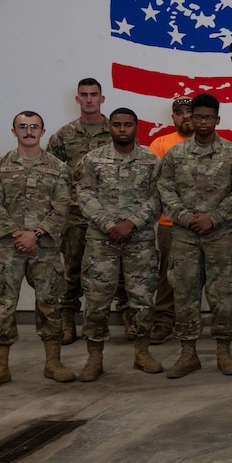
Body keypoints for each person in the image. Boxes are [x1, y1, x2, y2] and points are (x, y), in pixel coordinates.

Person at [0, 111, 75, 390]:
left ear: (43, 132)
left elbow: (62, 206)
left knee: (49, 304)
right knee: (4, 305)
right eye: (23, 127)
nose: (29, 131)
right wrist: (17, 234)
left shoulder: (58, 168)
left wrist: (37, 234)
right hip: (9, 247)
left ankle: (53, 362)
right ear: (14, 131)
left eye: (34, 127)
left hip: (45, 247)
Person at [157, 94, 232, 379]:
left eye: (208, 117)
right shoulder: (176, 154)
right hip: (184, 236)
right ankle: (188, 354)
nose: (203, 122)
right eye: (197, 117)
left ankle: (224, 352)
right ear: (191, 119)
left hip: (220, 235)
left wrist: (214, 218)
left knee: (223, 296)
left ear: (217, 120)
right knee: (184, 295)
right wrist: (185, 217)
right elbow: (165, 189)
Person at [76, 108, 163, 381]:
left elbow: (158, 198)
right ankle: (94, 358)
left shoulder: (151, 161)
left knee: (142, 300)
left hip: (140, 241)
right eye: (117, 125)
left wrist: (132, 224)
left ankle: (142, 353)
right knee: (96, 300)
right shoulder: (93, 159)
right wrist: (108, 225)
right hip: (102, 242)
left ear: (136, 127)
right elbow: (84, 194)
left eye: (127, 125)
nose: (122, 129)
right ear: (109, 128)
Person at [48, 78, 113, 345]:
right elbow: (52, 174)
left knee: (113, 270)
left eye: (93, 94)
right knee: (72, 269)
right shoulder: (64, 135)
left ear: (102, 98)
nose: (89, 99)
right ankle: (67, 320)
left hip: (108, 214)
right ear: (77, 99)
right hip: (75, 215)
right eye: (84, 95)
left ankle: (126, 318)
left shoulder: (116, 130)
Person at [147, 96, 194, 344]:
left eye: (190, 111)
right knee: (168, 276)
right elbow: (156, 186)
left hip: (208, 226)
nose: (186, 116)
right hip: (171, 224)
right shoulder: (161, 144)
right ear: (173, 117)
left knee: (211, 275)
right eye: (180, 112)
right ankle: (164, 321)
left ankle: (210, 323)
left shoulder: (215, 145)